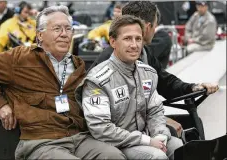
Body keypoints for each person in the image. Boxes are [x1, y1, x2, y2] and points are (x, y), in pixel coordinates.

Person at [0, 5, 125, 160]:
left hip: (78, 137)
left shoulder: (78, 65)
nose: (64, 34)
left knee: (114, 155)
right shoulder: (20, 58)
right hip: (41, 140)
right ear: (40, 35)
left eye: (68, 29)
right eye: (57, 29)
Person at [88, 1, 219, 137]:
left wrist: (193, 88)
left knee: (191, 125)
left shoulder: (145, 53)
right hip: (119, 131)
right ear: (148, 27)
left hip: (138, 123)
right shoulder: (108, 62)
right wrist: (161, 123)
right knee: (178, 131)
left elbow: (165, 82)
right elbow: (118, 112)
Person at [76, 15, 183, 160]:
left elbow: (155, 111)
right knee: (157, 157)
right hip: (115, 145)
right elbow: (100, 128)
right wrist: (147, 141)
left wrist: (161, 134)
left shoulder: (148, 73)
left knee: (179, 147)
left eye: (138, 39)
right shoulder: (97, 80)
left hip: (146, 137)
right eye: (127, 39)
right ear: (113, 42)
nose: (134, 45)